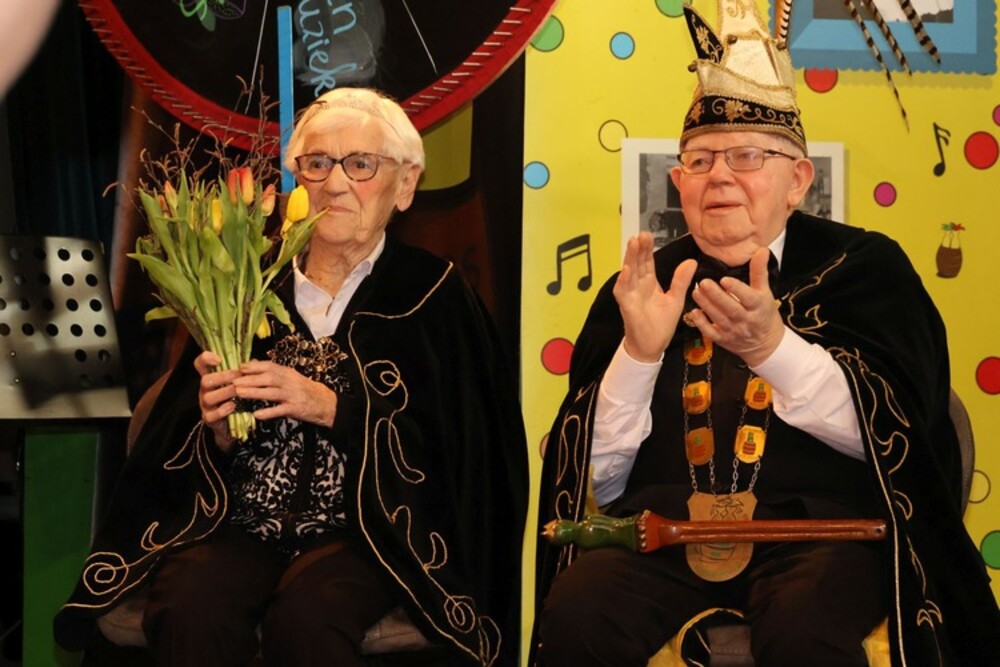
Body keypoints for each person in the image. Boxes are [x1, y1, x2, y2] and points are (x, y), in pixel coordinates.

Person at [531, 3, 1000, 666]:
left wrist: (771, 349)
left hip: (828, 537)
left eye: (747, 156)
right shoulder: (643, 287)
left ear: (797, 180)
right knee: (578, 612)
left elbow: (900, 442)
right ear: (678, 182)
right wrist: (638, 354)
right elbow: (601, 482)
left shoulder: (865, 270)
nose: (720, 176)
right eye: (700, 160)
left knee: (804, 628)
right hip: (664, 534)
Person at [55, 87, 529, 667]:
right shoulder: (242, 284)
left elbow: (469, 456)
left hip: (370, 535)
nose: (336, 184)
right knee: (190, 604)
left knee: (309, 617)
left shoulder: (435, 296)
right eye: (318, 163)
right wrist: (217, 430)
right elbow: (171, 446)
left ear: (405, 185)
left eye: (361, 164)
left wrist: (332, 408)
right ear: (295, 181)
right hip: (242, 524)